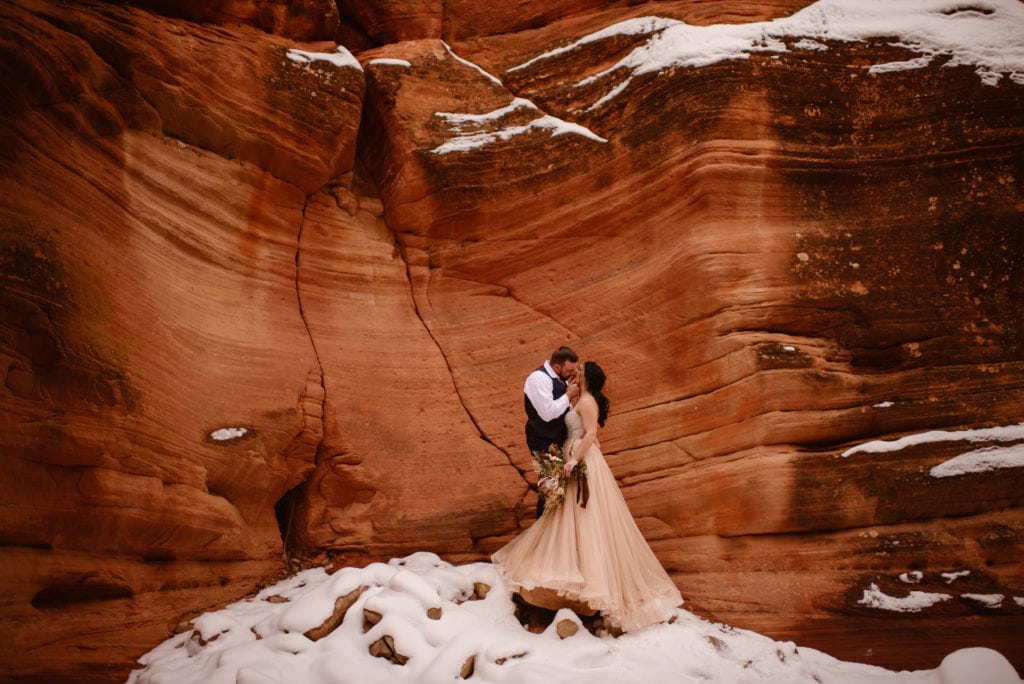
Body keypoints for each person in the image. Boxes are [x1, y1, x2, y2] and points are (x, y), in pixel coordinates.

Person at [493, 361, 683, 633]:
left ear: (588, 377)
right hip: (572, 455)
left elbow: (591, 433)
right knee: (567, 514)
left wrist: (573, 460)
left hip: (581, 460)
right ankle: (569, 571)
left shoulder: (589, 401)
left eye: (580, 370)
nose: (576, 372)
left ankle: (588, 581)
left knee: (584, 515)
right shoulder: (580, 397)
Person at [524, 347, 580, 516]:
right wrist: (568, 395)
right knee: (550, 488)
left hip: (557, 440)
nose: (571, 373)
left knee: (558, 488)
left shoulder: (560, 379)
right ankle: (543, 532)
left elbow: (564, 412)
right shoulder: (538, 378)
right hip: (542, 440)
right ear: (557, 366)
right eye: (569, 370)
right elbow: (547, 413)